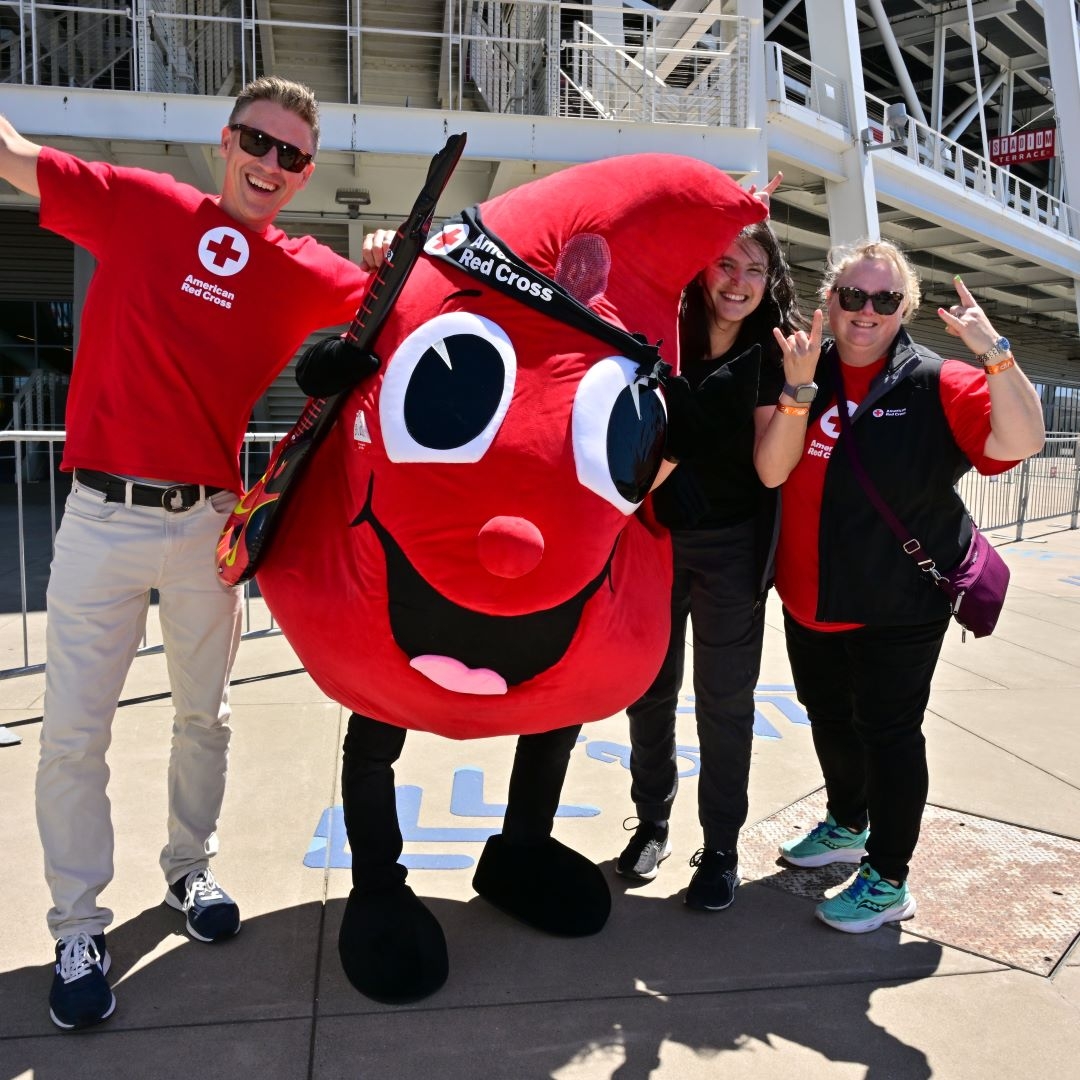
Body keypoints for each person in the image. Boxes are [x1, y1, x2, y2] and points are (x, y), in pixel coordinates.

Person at [0, 76, 387, 1029]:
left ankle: (188, 871)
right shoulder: (140, 204)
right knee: (73, 738)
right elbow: (12, 157)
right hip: (100, 519)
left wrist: (384, 258)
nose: (272, 164)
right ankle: (79, 927)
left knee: (203, 720)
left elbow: (404, 298)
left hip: (210, 522)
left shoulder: (301, 268)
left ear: (303, 175)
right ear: (226, 140)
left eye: (293, 155)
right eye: (259, 141)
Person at [770, 239, 1044, 932]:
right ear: (829, 301)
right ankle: (846, 822)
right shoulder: (808, 369)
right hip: (810, 599)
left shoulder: (935, 380)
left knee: (889, 734)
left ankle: (888, 878)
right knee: (829, 718)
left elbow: (1021, 442)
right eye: (852, 296)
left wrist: (995, 351)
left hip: (896, 606)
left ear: (905, 310)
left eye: (885, 300)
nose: (866, 311)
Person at [615, 180, 820, 911]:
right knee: (648, 689)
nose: (738, 282)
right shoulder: (665, 334)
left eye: (754, 271)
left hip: (733, 546)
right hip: (657, 539)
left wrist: (799, 390)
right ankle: (651, 822)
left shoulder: (773, 356)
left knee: (725, 701)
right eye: (727, 264)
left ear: (770, 283)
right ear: (705, 268)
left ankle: (721, 847)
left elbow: (772, 468)